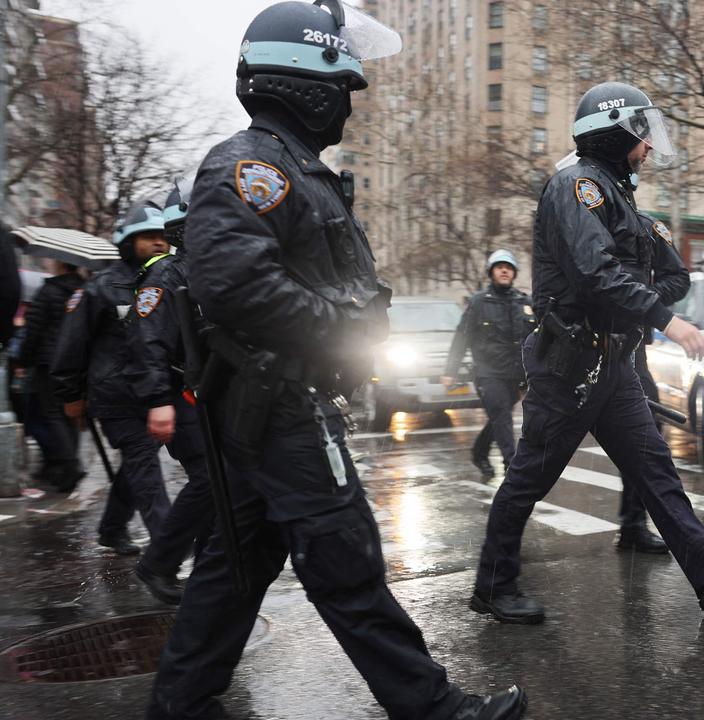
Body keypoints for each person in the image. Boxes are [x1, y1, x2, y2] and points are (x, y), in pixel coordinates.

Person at [147, 4, 525, 719]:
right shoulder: (251, 168)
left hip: (276, 404)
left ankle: (179, 704)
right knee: (346, 561)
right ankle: (432, 708)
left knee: (237, 566)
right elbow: (232, 282)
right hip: (281, 405)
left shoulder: (296, 168)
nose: (351, 101)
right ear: (304, 81)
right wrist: (337, 336)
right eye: (344, 87)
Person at [469, 81, 704, 625]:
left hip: (611, 365)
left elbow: (660, 272)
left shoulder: (616, 194)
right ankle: (493, 585)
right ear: (613, 134)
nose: (649, 149)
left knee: (655, 469)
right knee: (528, 479)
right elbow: (595, 274)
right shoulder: (576, 187)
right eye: (641, 136)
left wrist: (652, 305)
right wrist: (667, 321)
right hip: (570, 368)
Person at [52, 199, 173, 555]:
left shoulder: (167, 280)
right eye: (148, 236)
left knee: (137, 467)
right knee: (145, 468)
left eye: (162, 236)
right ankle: (167, 555)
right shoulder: (97, 289)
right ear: (128, 241)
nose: (158, 243)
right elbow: (70, 347)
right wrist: (70, 396)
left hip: (154, 395)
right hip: (115, 396)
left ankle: (111, 528)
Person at [126, 177, 216, 604]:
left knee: (221, 481)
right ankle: (159, 564)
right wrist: (159, 401)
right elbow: (149, 341)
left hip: (203, 395)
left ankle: (209, 568)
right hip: (177, 396)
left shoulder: (203, 270)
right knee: (209, 481)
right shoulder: (165, 273)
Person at [613, 212, 690, 554]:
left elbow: (678, 279)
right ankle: (501, 564)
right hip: (577, 350)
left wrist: (641, 297)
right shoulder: (579, 218)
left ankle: (633, 526)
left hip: (631, 352)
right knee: (544, 454)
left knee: (645, 443)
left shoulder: (645, 224)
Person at [441, 249, 536, 478]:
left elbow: (537, 334)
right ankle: (512, 465)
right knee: (502, 414)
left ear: (513, 273)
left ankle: (479, 452)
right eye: (499, 267)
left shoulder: (524, 302)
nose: (504, 270)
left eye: (509, 267)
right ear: (491, 272)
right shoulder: (479, 302)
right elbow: (461, 336)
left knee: (498, 417)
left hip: (516, 374)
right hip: (488, 373)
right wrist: (450, 371)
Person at [15, 260, 85, 491]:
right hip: (78, 361)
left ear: (60, 265)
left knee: (53, 413)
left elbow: (34, 330)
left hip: (49, 362)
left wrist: (24, 360)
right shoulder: (85, 290)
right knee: (70, 413)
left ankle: (70, 465)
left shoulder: (49, 291)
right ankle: (70, 462)